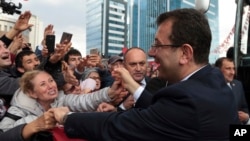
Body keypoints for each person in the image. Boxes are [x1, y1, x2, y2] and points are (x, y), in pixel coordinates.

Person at [50, 8, 239, 141]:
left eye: (157, 44)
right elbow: (161, 111)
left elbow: (119, 126)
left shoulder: (186, 98)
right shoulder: (215, 80)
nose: (151, 52)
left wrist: (67, 117)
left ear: (185, 53)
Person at [0, 70, 123, 132]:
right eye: (43, 84)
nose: (51, 86)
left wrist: (109, 93)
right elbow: (4, 132)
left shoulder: (60, 99)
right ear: (32, 93)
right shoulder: (18, 108)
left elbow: (83, 101)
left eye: (51, 80)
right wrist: (39, 120)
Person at [215, 57, 250, 124]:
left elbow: (244, 107)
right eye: (228, 68)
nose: (233, 72)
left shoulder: (238, 85)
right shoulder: (210, 87)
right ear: (217, 70)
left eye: (233, 68)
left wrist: (246, 117)